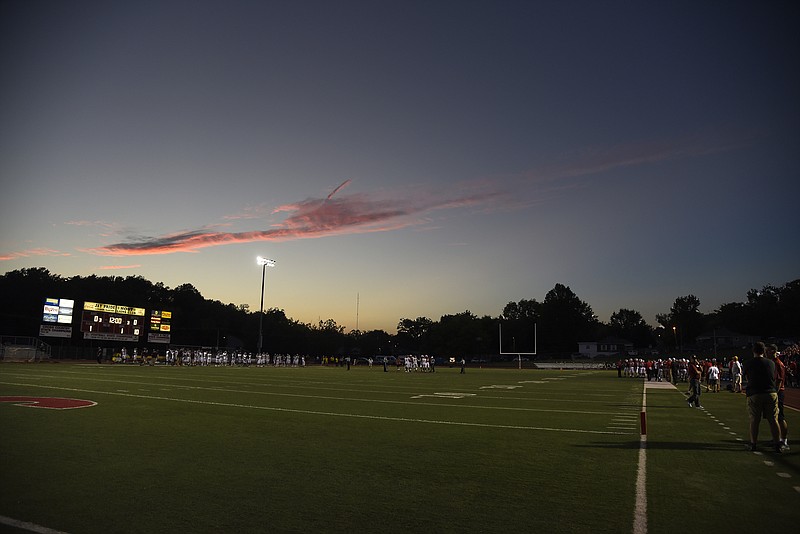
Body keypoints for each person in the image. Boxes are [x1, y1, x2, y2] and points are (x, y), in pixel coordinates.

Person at [742, 342, 781, 453]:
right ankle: (777, 444)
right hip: (770, 392)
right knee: (773, 419)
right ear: (764, 351)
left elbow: (747, 377)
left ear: (753, 351)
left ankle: (753, 444)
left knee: (755, 419)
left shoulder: (748, 363)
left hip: (755, 393)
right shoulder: (771, 363)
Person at [766, 344, 789, 451]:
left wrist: (775, 392)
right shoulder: (773, 363)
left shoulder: (777, 364)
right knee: (773, 417)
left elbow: (779, 381)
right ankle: (776, 438)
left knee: (780, 417)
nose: (766, 352)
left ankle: (783, 440)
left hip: (777, 392)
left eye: (768, 350)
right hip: (774, 391)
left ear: (773, 351)